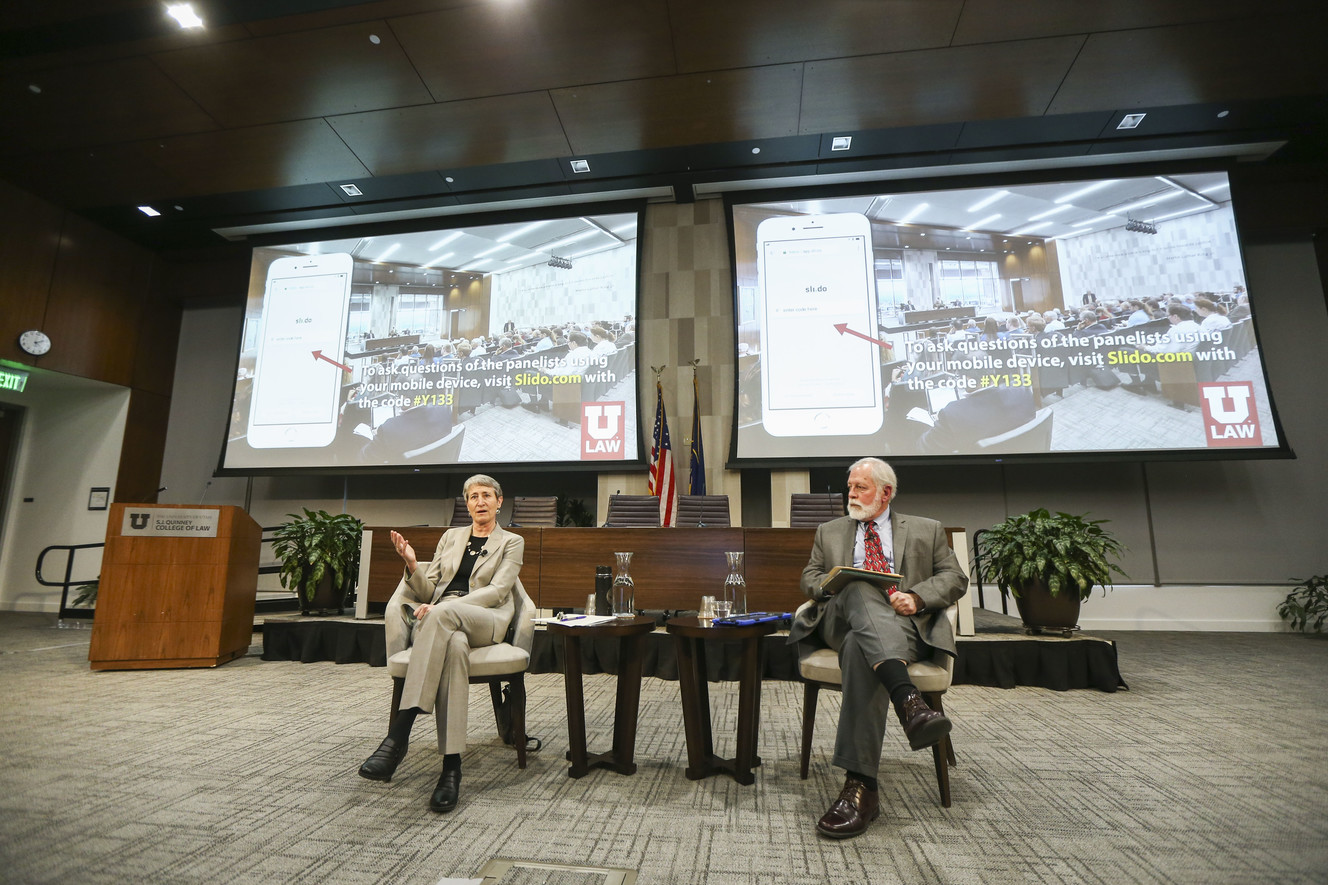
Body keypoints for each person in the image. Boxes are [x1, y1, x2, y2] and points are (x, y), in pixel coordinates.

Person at [790, 458, 967, 839]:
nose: (851, 494)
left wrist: (917, 598)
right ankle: (909, 701)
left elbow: (955, 578)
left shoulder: (926, 529)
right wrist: (833, 584)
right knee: (858, 587)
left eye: (861, 488)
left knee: (860, 647)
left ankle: (861, 788)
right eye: (849, 487)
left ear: (886, 492)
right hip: (841, 618)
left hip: (904, 627)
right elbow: (809, 577)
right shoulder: (830, 530)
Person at [358, 475, 525, 814]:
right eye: (473, 496)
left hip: (484, 616)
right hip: (441, 618)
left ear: (499, 502)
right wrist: (410, 562)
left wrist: (445, 607)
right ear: (467, 504)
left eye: (486, 496)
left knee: (443, 620)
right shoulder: (451, 537)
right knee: (455, 646)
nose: (480, 501)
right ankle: (451, 768)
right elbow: (425, 589)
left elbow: (498, 591)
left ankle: (399, 734)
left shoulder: (512, 541)